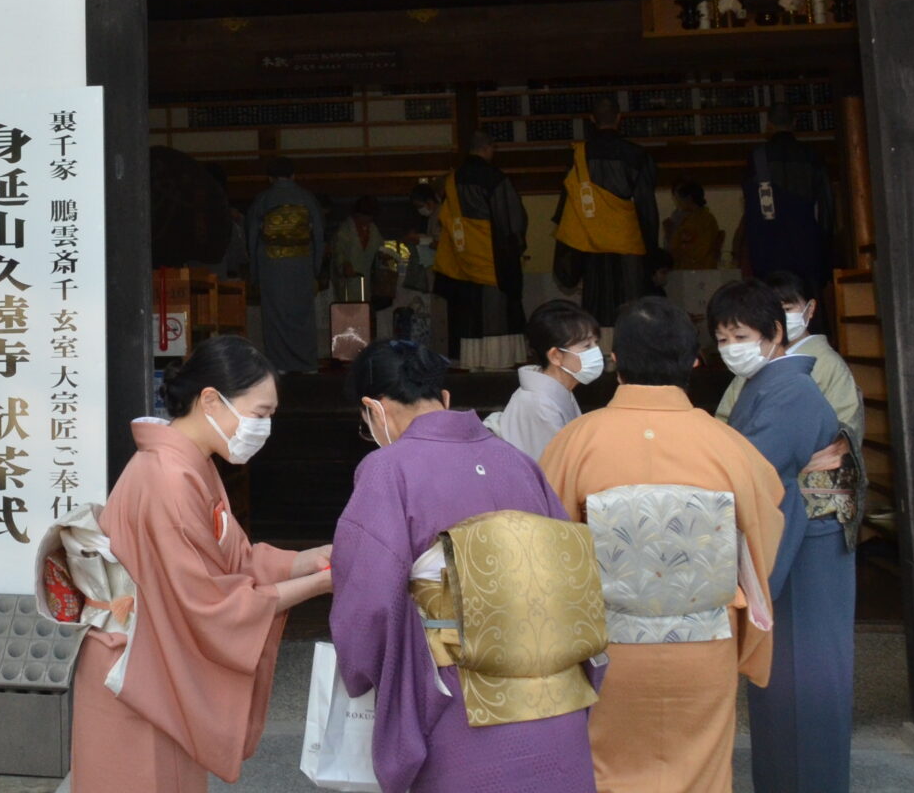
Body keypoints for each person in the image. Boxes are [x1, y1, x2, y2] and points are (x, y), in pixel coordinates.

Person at [330, 339, 601, 793]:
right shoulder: (517, 462)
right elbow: (577, 581)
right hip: (555, 696)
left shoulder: (388, 469)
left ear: (373, 409)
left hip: (457, 705)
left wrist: (362, 674)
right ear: (445, 398)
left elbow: (370, 606)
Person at [541, 297, 785, 793]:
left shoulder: (574, 442)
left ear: (615, 361)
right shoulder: (727, 445)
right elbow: (763, 539)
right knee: (702, 773)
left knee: (604, 771)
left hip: (606, 649)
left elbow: (546, 550)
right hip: (703, 648)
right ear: (695, 360)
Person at [70, 335, 334, 791]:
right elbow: (208, 602)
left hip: (152, 660)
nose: (264, 429)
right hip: (138, 674)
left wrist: (310, 561)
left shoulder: (189, 463)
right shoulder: (169, 478)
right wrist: (322, 584)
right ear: (211, 400)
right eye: (260, 415)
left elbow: (234, 560)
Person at [712, 281, 856, 793]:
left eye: (742, 335)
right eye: (723, 338)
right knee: (784, 684)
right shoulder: (767, 383)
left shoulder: (792, 388)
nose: (732, 348)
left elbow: (752, 470)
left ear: (775, 333)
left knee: (803, 677)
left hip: (805, 547)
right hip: (793, 536)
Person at [554, 99, 660, 327]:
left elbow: (567, 206)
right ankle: (630, 355)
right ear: (620, 118)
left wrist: (567, 254)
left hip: (591, 241)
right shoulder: (636, 154)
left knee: (596, 303)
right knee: (631, 303)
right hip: (627, 242)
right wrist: (651, 252)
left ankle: (598, 355)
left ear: (592, 120)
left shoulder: (578, 155)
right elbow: (646, 207)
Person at [717, 270, 861, 436]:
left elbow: (845, 431)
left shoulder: (829, 364)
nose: (780, 318)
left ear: (810, 308)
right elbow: (725, 419)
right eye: (772, 312)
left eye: (787, 309)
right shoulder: (753, 360)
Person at [434, 130, 527, 360]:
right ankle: (499, 360)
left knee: (469, 314)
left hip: (463, 259)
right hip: (492, 259)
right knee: (497, 313)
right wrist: (515, 245)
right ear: (489, 149)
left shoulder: (452, 180)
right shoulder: (494, 178)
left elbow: (444, 218)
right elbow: (512, 220)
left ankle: (470, 359)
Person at [739, 105, 837, 313]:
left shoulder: (757, 158)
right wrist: (826, 248)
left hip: (768, 247)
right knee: (809, 308)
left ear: (768, 125)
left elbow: (751, 209)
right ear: (795, 124)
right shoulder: (811, 156)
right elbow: (826, 206)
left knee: (772, 310)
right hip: (807, 244)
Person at [487, 299, 604, 462]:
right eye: (586, 346)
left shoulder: (560, 390)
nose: (595, 351)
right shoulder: (538, 404)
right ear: (556, 356)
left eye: (595, 343)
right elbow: (550, 471)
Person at [240, 156, 325, 374]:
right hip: (302, 263)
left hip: (272, 265)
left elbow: (252, 236)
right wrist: (316, 267)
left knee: (275, 316)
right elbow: (318, 235)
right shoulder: (306, 198)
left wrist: (255, 273)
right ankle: (307, 364)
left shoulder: (263, 199)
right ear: (293, 175)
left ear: (269, 178)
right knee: (303, 314)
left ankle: (279, 365)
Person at [329, 198, 386, 307]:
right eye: (365, 216)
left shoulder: (373, 229)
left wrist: (383, 256)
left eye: (370, 216)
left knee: (365, 314)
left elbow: (380, 248)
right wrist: (344, 264)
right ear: (357, 214)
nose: (368, 219)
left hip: (367, 283)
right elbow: (338, 252)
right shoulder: (345, 230)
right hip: (348, 284)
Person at [663, 180, 723, 270]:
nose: (677, 203)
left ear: (689, 198)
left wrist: (672, 234)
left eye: (678, 198)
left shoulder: (704, 220)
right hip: (682, 270)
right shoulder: (680, 219)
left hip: (699, 271)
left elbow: (699, 250)